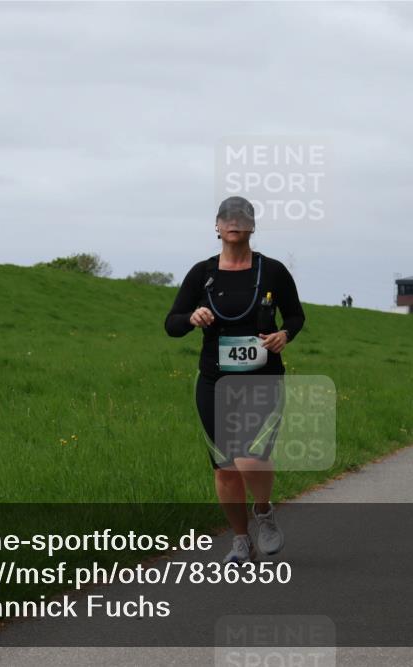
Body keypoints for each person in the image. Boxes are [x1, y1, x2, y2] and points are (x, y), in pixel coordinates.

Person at [165, 196, 305, 564]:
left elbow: (295, 316)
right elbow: (172, 324)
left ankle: (263, 511)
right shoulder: (202, 273)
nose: (234, 222)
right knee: (225, 467)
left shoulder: (272, 271)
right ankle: (241, 540)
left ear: (253, 226)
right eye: (227, 217)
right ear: (217, 226)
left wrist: (284, 336)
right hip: (214, 381)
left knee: (249, 455)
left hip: (263, 379)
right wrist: (191, 317)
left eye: (242, 217)